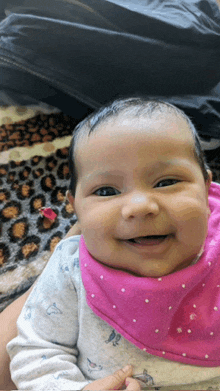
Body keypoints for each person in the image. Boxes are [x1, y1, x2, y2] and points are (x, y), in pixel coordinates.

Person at [5, 95, 220, 390]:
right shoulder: (70, 273)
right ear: (75, 207)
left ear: (206, 189)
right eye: (106, 191)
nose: (140, 205)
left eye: (167, 182)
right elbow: (35, 349)